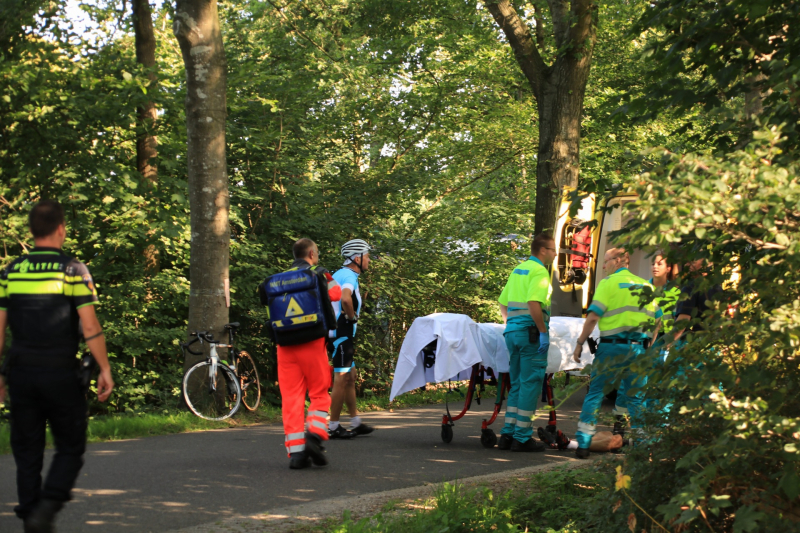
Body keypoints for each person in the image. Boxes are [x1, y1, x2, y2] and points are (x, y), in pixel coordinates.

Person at [0, 200, 114, 532]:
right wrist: (104, 369)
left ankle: (32, 520)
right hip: (60, 373)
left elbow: (1, 328)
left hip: (20, 372)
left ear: (33, 231)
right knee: (71, 446)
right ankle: (47, 509)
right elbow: (90, 327)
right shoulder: (73, 270)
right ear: (61, 229)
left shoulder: (11, 272)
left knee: (26, 451)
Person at [571, 247, 661, 459]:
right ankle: (641, 446)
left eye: (606, 261)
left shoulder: (608, 283)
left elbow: (593, 317)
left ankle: (583, 444)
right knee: (636, 399)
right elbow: (658, 319)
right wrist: (649, 344)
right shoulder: (646, 285)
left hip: (611, 348)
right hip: (638, 350)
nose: (603, 266)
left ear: (619, 260)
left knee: (596, 394)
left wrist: (579, 343)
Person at [259, 238, 341, 469]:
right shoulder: (319, 273)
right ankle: (314, 434)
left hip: (284, 345)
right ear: (312, 254)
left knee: (291, 398)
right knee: (319, 392)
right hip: (313, 342)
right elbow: (336, 294)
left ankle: (296, 454)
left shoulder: (276, 280)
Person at [496, 233, 557, 452]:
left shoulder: (518, 270)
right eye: (552, 249)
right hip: (530, 334)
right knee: (530, 384)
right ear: (543, 251)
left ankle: (507, 434)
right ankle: (522, 437)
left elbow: (503, 303)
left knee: (517, 384)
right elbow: (533, 303)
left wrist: (510, 324)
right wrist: (543, 332)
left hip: (512, 333)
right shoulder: (540, 272)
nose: (555, 253)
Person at [612, 251, 680, 433]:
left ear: (668, 268)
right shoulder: (643, 287)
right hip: (640, 340)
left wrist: (671, 345)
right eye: (653, 263)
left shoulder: (675, 291)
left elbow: (680, 321)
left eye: (659, 263)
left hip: (664, 343)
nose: (655, 267)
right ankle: (619, 426)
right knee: (629, 385)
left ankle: (656, 430)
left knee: (658, 386)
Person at [328, 239, 375, 439]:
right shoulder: (349, 276)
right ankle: (333, 426)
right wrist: (352, 316)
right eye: (367, 256)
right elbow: (345, 298)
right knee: (342, 378)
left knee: (351, 376)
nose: (369, 261)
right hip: (341, 334)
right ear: (357, 258)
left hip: (339, 334)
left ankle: (355, 422)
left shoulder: (339, 274)